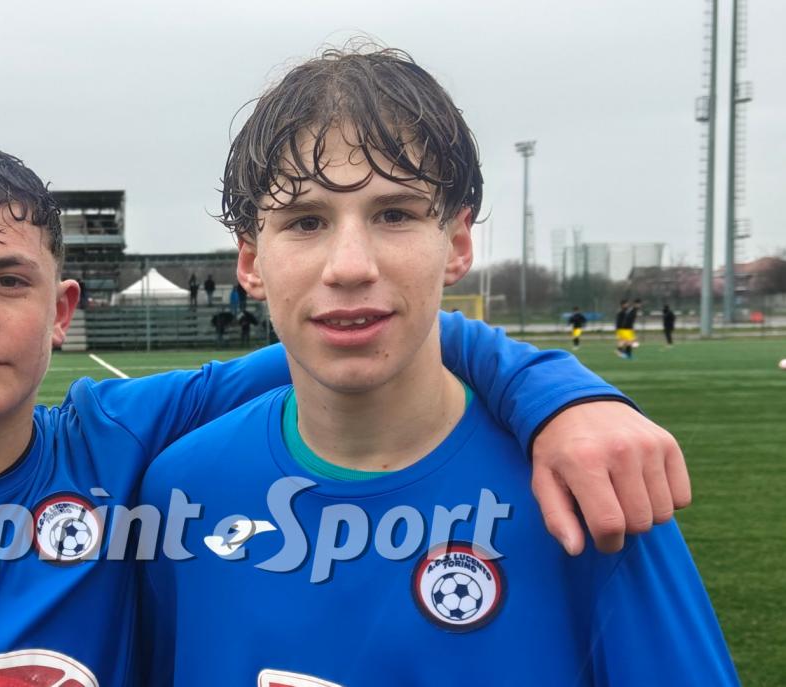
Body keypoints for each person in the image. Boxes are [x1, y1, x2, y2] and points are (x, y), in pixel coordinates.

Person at [0, 136, 692, 686]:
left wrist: (562, 395)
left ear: (64, 309)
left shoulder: (122, 446)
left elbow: (370, 324)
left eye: (10, 280)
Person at [139, 47, 734, 685]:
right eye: (305, 221)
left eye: (394, 214)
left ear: (456, 245)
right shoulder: (183, 491)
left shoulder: (587, 491)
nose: (349, 265)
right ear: (252, 264)